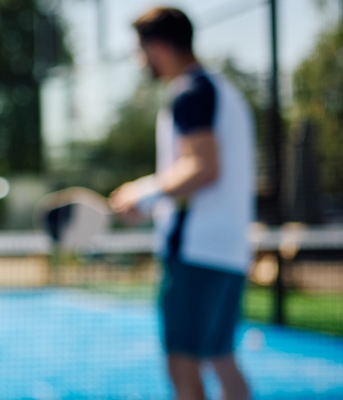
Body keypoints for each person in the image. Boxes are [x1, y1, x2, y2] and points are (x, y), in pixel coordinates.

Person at [109, 7, 254, 400]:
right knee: (223, 360)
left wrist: (143, 193)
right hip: (230, 252)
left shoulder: (189, 92)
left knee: (182, 364)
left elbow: (204, 167)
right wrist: (150, 195)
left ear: (157, 48)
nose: (141, 61)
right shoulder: (226, 93)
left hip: (196, 254)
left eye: (141, 51)